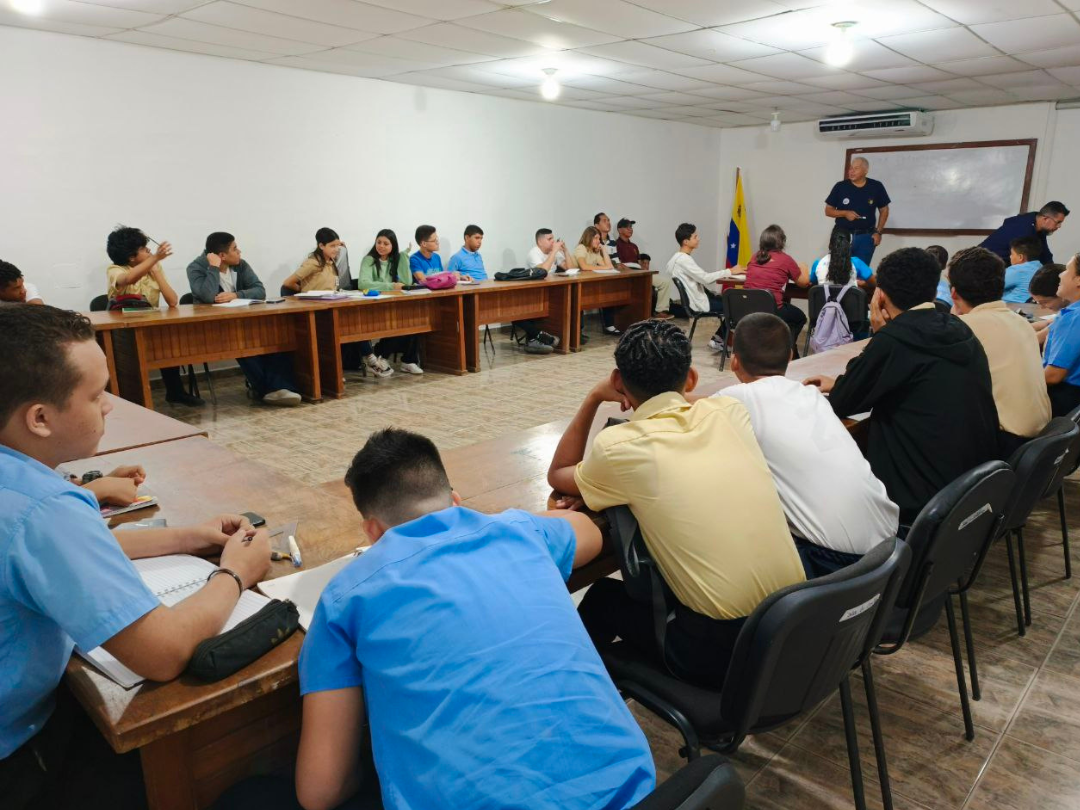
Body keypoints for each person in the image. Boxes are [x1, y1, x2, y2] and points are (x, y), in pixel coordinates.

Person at [272, 428, 654, 810]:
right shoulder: (522, 531)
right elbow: (591, 531)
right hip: (637, 793)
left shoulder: (345, 596)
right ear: (456, 500)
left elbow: (320, 792)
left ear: (373, 532)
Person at [0, 305, 270, 810]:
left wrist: (189, 537)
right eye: (97, 394)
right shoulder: (44, 508)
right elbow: (162, 653)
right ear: (39, 418)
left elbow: (63, 555)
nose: (108, 407)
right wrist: (235, 572)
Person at [547, 320, 805, 687]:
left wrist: (593, 397)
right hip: (792, 624)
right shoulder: (729, 413)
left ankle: (575, 694)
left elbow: (559, 473)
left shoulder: (620, 446)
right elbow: (696, 406)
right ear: (692, 378)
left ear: (618, 382)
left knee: (603, 597)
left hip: (722, 651)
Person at [804, 247, 999, 527]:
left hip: (915, 499)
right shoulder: (959, 329)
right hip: (968, 489)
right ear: (935, 290)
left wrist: (879, 334)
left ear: (879, 295)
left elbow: (842, 403)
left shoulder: (896, 339)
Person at [717, 313, 898, 578]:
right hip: (889, 546)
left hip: (836, 562)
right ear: (791, 356)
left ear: (734, 362)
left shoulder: (737, 398)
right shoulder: (811, 394)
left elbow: (693, 405)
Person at [946, 247, 1051, 458]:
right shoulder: (1021, 323)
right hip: (1039, 443)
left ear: (954, 293)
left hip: (1004, 444)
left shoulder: (963, 329)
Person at [186, 232, 302, 406]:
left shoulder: (240, 265)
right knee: (243, 342)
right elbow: (208, 296)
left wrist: (236, 294)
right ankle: (270, 390)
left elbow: (259, 290)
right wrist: (213, 268)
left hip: (245, 318)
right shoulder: (196, 268)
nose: (239, 251)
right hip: (214, 326)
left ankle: (280, 388)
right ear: (222, 256)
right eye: (235, 249)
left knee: (277, 337)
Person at [105, 226, 202, 407]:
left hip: (150, 323)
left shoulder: (154, 268)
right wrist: (155, 258)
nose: (149, 250)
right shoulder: (114, 269)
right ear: (131, 257)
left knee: (168, 342)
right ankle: (131, 399)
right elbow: (128, 279)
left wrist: (156, 270)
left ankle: (175, 392)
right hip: (123, 329)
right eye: (143, 249)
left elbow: (173, 301)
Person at [353, 229, 415, 376]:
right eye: (378, 242)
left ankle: (386, 356)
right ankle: (379, 355)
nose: (381, 246)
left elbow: (407, 282)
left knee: (410, 321)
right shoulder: (369, 260)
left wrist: (404, 258)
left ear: (393, 245)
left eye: (386, 243)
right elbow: (363, 284)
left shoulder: (395, 260)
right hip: (372, 304)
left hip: (390, 303)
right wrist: (390, 286)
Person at [743, 224, 810, 356]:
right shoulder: (785, 259)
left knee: (786, 311)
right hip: (772, 309)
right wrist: (804, 267)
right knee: (800, 318)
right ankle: (787, 350)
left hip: (748, 308)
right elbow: (804, 283)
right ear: (782, 242)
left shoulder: (754, 256)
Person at [666, 223, 726, 347]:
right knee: (735, 306)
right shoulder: (683, 260)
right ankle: (720, 339)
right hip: (699, 303)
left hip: (700, 299)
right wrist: (730, 271)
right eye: (695, 236)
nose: (698, 239)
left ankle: (720, 337)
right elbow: (705, 279)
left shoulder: (676, 258)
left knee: (730, 302)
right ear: (686, 241)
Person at [824, 156, 891, 265]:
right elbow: (828, 211)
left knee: (861, 272)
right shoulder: (840, 186)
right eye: (850, 168)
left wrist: (878, 232)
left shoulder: (876, 186)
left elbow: (884, 210)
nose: (851, 171)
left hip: (866, 236)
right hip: (842, 235)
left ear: (866, 170)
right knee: (838, 269)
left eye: (856, 168)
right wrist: (844, 213)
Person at [1043, 254, 1080, 416]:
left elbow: (1053, 375)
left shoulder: (1074, 317)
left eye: (1066, 270)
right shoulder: (1072, 313)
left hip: (1065, 399)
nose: (1060, 274)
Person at [980, 201, 1069, 266]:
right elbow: (1027, 264)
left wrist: (1056, 273)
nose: (1059, 226)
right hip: (982, 266)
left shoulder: (1036, 225)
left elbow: (1045, 255)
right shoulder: (1024, 230)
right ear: (1045, 219)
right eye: (1058, 222)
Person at [575, 226, 621, 336]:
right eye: (595, 238)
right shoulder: (581, 248)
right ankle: (578, 331)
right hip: (577, 284)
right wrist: (605, 268)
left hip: (589, 283)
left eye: (599, 238)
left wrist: (604, 250)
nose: (598, 241)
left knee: (608, 293)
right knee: (578, 301)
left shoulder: (595, 252)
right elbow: (584, 266)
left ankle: (609, 325)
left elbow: (609, 266)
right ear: (588, 238)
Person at [282, 228, 342, 293]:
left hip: (331, 300)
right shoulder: (312, 263)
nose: (336, 249)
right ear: (321, 246)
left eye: (338, 245)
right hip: (313, 302)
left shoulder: (331, 262)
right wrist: (302, 291)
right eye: (332, 246)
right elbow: (288, 282)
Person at [810, 228, 874, 288]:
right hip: (850, 300)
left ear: (830, 245)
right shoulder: (856, 263)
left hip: (823, 300)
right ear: (849, 246)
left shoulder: (818, 264)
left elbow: (811, 282)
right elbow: (874, 282)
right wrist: (859, 283)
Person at [591, 214, 622, 333]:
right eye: (604, 221)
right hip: (598, 273)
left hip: (611, 271)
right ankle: (609, 324)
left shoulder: (612, 240)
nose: (608, 222)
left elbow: (616, 260)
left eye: (609, 220)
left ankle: (625, 321)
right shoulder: (592, 240)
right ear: (596, 225)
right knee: (609, 289)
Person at [1029, 264, 1068, 346]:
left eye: (1044, 302)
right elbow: (1049, 322)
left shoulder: (1071, 316)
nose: (1042, 307)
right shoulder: (1065, 312)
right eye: (1037, 302)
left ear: (1061, 292)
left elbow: (1036, 339)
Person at [1002, 235, 1043, 304]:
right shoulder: (1041, 267)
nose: (1010, 257)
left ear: (1020, 257)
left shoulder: (1017, 270)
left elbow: (989, 286)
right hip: (1033, 309)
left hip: (1013, 308)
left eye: (1012, 254)